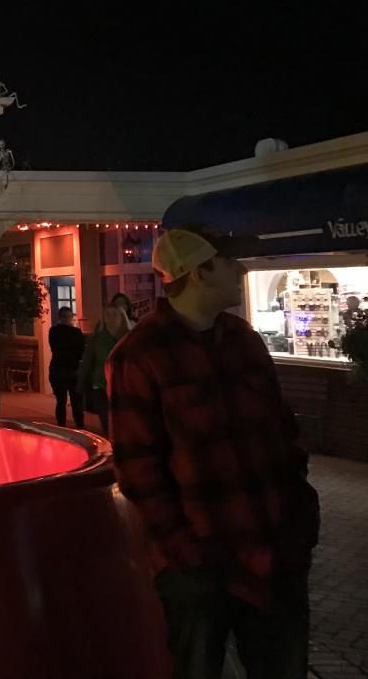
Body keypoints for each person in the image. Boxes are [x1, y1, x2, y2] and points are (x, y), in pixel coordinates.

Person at [108, 226, 319, 679]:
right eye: (227, 262)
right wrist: (184, 550)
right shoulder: (139, 355)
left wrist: (298, 517)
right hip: (198, 569)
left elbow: (284, 433)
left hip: (273, 550)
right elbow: (139, 469)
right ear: (199, 272)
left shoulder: (244, 341)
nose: (239, 269)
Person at [79, 300, 131, 435]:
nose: (111, 318)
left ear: (122, 316)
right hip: (101, 386)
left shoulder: (129, 337)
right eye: (107, 315)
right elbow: (87, 362)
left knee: (124, 423)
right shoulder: (97, 339)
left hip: (124, 386)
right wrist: (81, 385)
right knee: (107, 422)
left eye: (114, 314)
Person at [47, 306, 85, 429]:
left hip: (58, 368)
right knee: (75, 401)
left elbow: (54, 348)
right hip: (71, 369)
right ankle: (79, 427)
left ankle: (62, 426)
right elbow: (80, 352)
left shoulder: (53, 331)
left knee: (61, 401)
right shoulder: (76, 333)